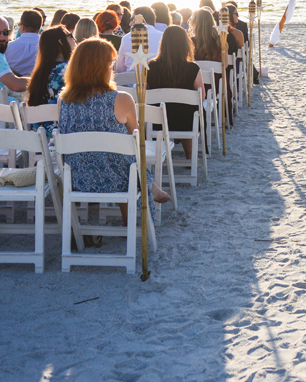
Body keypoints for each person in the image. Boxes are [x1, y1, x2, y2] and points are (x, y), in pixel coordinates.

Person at [57, 38, 169, 230]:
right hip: (118, 179)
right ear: (100, 68)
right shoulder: (122, 99)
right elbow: (137, 139)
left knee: (113, 157)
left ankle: (151, 188)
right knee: (126, 158)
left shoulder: (63, 101)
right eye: (110, 63)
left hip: (78, 177)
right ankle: (148, 190)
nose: (113, 68)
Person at [146, 25, 204, 160]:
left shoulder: (151, 66)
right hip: (186, 122)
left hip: (158, 121)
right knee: (189, 111)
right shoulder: (192, 68)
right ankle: (190, 156)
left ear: (163, 44)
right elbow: (201, 97)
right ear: (185, 45)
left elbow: (145, 93)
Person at [26, 26, 75, 136]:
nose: (75, 39)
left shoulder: (39, 73)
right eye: (71, 35)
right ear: (61, 42)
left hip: (39, 134)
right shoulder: (68, 71)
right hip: (61, 135)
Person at [5, 9, 43, 76]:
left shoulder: (8, 47)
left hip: (12, 85)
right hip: (38, 84)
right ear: (40, 26)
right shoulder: (47, 46)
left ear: (22, 27)